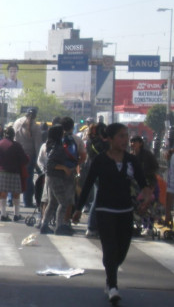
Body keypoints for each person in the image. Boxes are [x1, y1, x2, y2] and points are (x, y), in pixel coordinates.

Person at [73, 123, 153, 304]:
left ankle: (110, 272)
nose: (125, 140)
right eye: (121, 136)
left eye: (126, 136)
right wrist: (78, 209)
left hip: (125, 210)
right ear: (110, 139)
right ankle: (113, 286)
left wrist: (146, 197)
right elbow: (87, 184)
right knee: (110, 247)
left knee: (122, 250)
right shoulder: (100, 160)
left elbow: (143, 183)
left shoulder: (131, 160)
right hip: (104, 209)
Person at [40, 125, 76, 235]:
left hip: (51, 177)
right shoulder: (57, 147)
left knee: (52, 202)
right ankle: (59, 226)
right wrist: (64, 168)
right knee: (63, 202)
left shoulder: (51, 144)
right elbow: (50, 164)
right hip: (56, 177)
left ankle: (44, 225)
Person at [0, 126, 28, 222]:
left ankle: (3, 215)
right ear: (13, 135)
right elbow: (24, 160)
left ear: (4, 134)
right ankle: (16, 215)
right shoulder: (16, 145)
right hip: (14, 172)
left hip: (0, 172)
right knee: (16, 194)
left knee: (3, 194)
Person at [129, 135, 158, 236]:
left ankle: (148, 227)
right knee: (136, 205)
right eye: (131, 142)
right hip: (135, 185)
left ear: (140, 143)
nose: (132, 144)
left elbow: (155, 167)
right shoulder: (130, 155)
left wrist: (148, 178)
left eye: (134, 141)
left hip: (148, 183)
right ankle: (140, 225)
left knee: (147, 206)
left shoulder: (147, 155)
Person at [13, 108, 42, 208]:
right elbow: (38, 145)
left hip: (16, 154)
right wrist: (39, 160)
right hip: (29, 156)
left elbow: (14, 138)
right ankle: (27, 201)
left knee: (14, 177)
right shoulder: (36, 127)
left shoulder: (17, 122)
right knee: (27, 179)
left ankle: (10, 200)